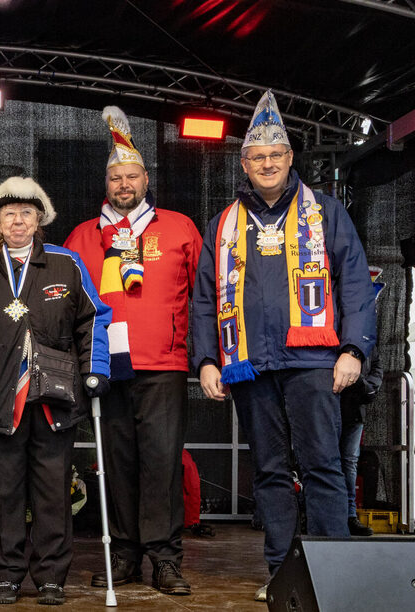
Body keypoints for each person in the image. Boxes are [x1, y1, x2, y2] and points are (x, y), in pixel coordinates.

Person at [191, 90, 376, 602]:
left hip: (315, 362)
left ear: (290, 159)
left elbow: (357, 285)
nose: (267, 164)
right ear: (245, 164)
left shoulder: (327, 213)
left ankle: (334, 570)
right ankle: (281, 571)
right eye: (258, 158)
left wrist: (354, 350)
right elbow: (205, 297)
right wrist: (207, 359)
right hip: (250, 365)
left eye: (276, 156)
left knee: (322, 466)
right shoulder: (224, 224)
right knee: (270, 472)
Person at [0, 176, 111, 606]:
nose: (18, 221)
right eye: (9, 214)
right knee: (2, 494)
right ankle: (7, 574)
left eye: (27, 214)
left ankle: (51, 576)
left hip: (53, 401)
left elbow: (93, 321)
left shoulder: (66, 264)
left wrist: (96, 370)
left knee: (53, 494)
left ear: (39, 220)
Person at [63, 106, 201, 595]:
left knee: (162, 463)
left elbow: (203, 297)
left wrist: (206, 358)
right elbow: (66, 306)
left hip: (163, 364)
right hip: (105, 366)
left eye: (132, 176)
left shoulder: (180, 228)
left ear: (147, 179)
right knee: (115, 462)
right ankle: (123, 553)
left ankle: (165, 558)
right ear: (107, 182)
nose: (124, 184)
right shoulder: (82, 236)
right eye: (116, 177)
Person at [341, 266, 384, 537]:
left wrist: (364, 386)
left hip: (354, 411)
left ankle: (349, 516)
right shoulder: (339, 329)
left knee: (348, 462)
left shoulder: (370, 338)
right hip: (329, 407)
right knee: (321, 461)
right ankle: (318, 515)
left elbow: (376, 369)